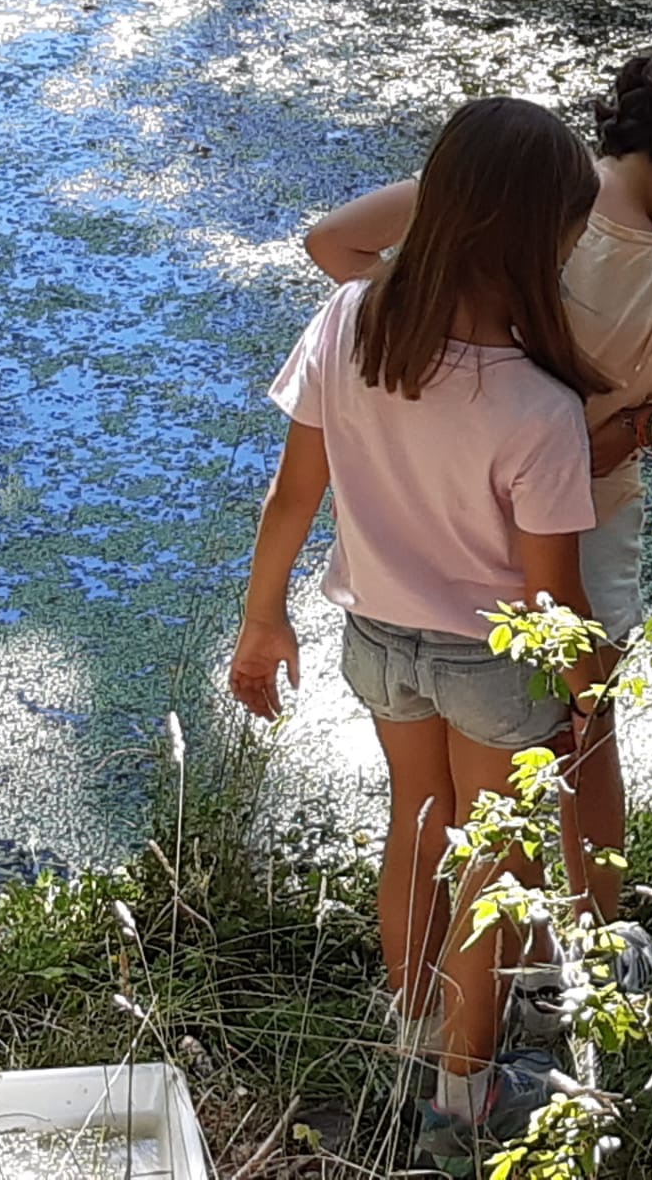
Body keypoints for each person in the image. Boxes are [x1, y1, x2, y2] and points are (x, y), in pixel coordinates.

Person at [304, 39, 652, 990]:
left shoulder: (521, 175)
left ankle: (454, 980)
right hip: (573, 543)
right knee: (583, 741)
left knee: (442, 784)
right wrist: (639, 424)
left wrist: (416, 327)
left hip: (430, 527)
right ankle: (591, 943)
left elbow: (334, 244)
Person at [228, 97, 608, 1165]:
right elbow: (550, 604)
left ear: (438, 207)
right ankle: (465, 1093)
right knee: (494, 866)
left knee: (416, 825)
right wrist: (591, 685)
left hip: (376, 640)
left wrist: (262, 623)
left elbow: (291, 496)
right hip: (491, 665)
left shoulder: (347, 321)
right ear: (540, 241)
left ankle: (410, 1044)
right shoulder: (536, 407)